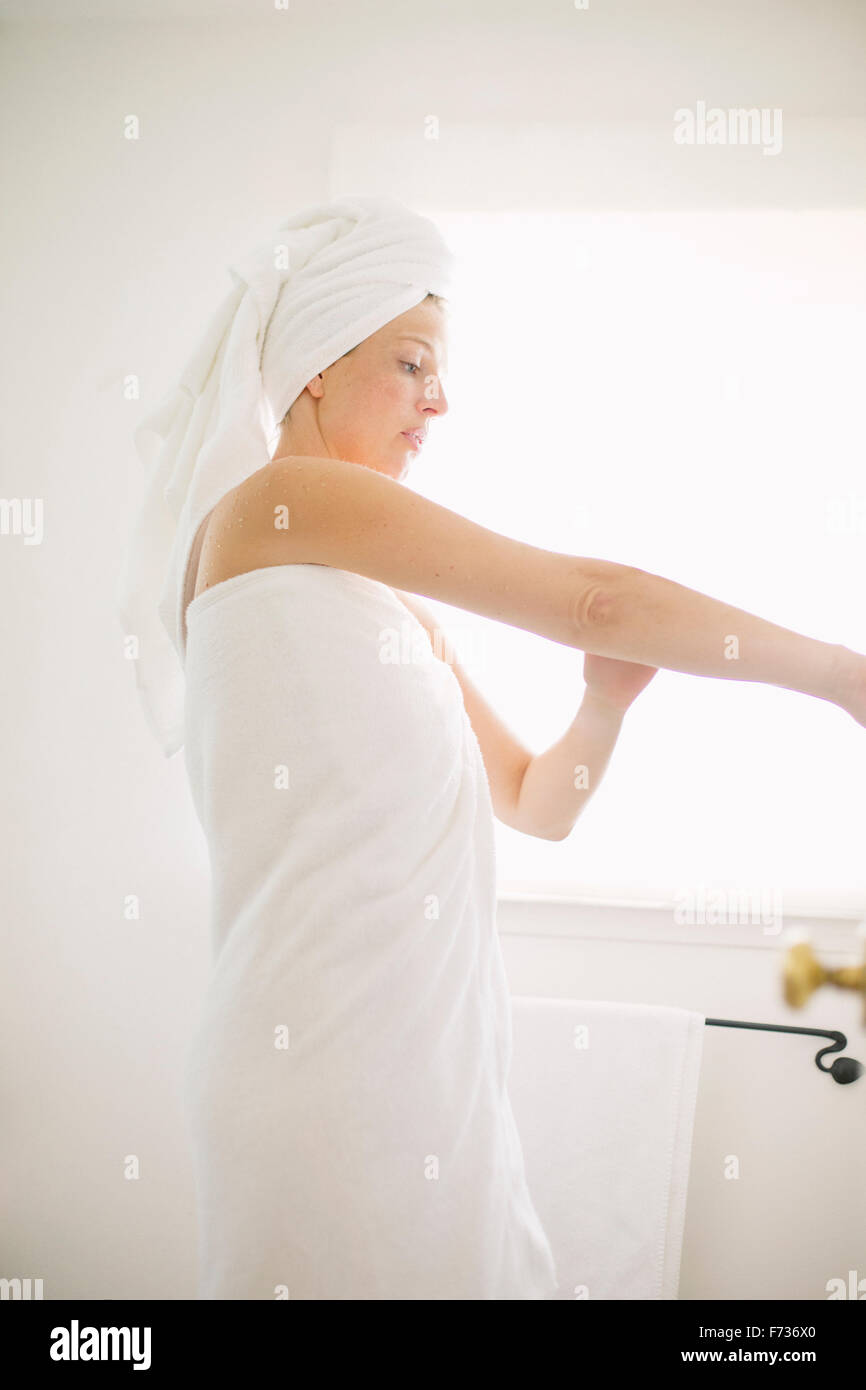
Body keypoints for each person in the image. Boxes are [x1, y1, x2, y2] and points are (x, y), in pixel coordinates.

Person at [117, 198, 865, 1301]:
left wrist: (601, 705)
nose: (440, 400)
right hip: (326, 1065)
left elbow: (534, 799)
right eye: (410, 362)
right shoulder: (277, 505)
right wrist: (841, 678)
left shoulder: (376, 601)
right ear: (316, 365)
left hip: (429, 1069)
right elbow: (596, 597)